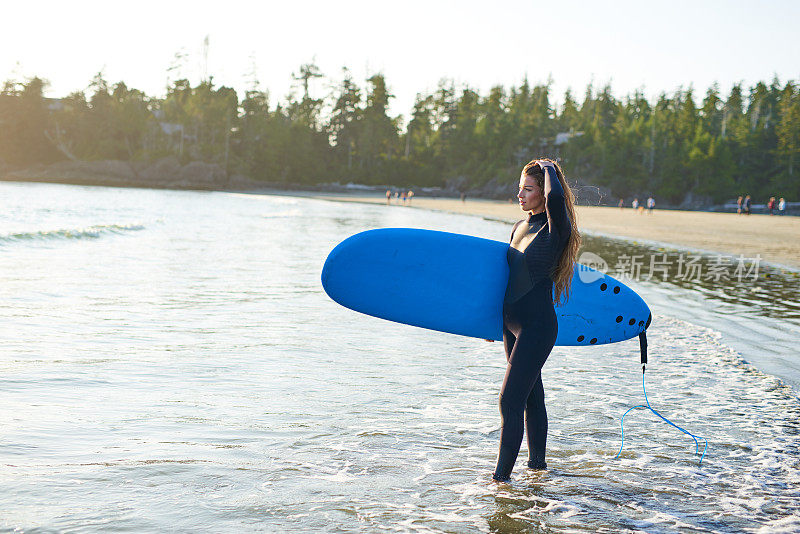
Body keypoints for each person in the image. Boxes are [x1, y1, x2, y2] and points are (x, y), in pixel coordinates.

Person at [489, 158, 580, 482]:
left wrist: (550, 168)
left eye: (528, 189)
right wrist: (487, 321)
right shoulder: (520, 226)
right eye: (519, 189)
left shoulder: (557, 229)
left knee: (509, 401)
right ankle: (537, 469)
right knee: (530, 397)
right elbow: (505, 280)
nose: (520, 195)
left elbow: (558, 200)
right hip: (511, 326)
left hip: (538, 326)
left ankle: (501, 483)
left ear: (544, 192)